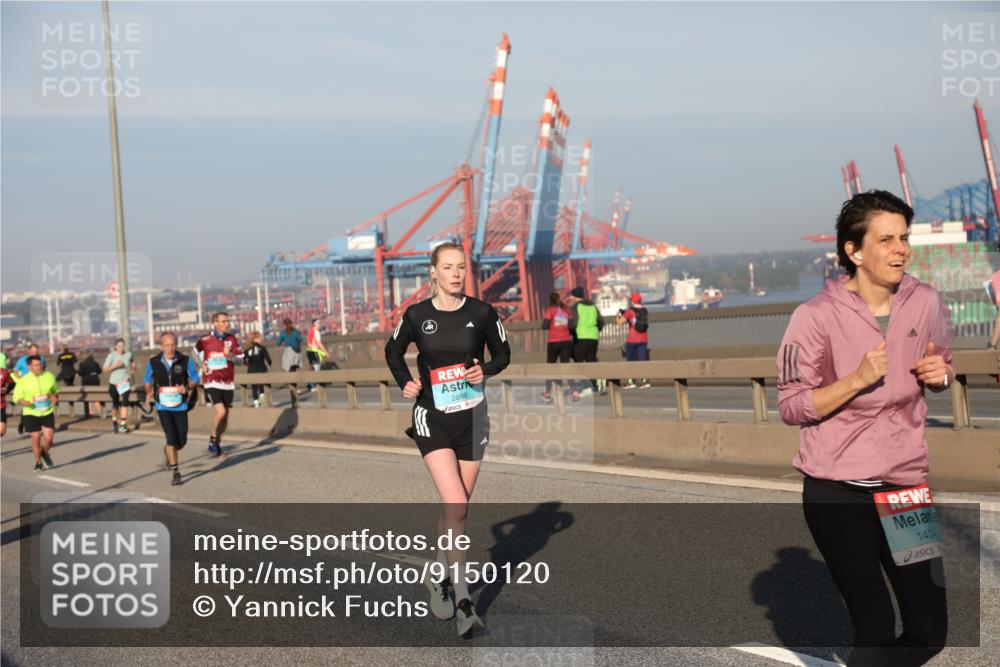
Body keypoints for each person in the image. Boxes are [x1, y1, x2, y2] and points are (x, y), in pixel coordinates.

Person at [777, 191, 953, 666]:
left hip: (905, 488)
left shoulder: (927, 303)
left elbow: (942, 361)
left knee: (928, 631)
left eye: (904, 238)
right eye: (886, 239)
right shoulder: (813, 317)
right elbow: (791, 405)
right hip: (838, 493)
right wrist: (855, 380)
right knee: (874, 628)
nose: (901, 249)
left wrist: (943, 375)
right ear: (854, 251)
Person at [384, 242, 510, 637]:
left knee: (458, 508)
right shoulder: (417, 315)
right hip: (431, 416)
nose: (457, 274)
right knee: (455, 504)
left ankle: (436, 572)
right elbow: (393, 351)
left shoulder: (482, 312)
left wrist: (483, 371)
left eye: (462, 268)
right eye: (448, 267)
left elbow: (503, 353)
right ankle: (464, 601)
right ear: (433, 273)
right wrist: (406, 382)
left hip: (473, 417)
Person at [144, 332, 200, 486]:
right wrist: (149, 393)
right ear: (161, 346)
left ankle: (169, 452)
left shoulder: (185, 360)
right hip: (162, 405)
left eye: (173, 344)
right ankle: (176, 472)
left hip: (180, 405)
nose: (170, 348)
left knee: (181, 441)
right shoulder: (153, 362)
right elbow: (147, 379)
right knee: (170, 437)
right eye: (167, 345)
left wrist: (187, 387)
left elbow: (196, 378)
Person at [195, 312, 242, 458]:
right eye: (223, 321)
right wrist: (201, 364)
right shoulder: (205, 339)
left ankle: (215, 444)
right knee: (220, 412)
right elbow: (194, 352)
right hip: (211, 380)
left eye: (227, 321)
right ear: (215, 323)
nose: (226, 324)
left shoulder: (232, 339)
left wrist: (230, 356)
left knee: (225, 417)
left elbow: (241, 360)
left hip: (227, 382)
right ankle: (213, 440)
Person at [12, 355, 59, 471]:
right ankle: (38, 462)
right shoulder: (23, 380)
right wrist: (26, 402)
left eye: (41, 364)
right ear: (29, 367)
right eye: (36, 365)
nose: (39, 367)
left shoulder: (49, 376)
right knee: (36, 437)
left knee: (49, 439)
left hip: (47, 411)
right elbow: (16, 398)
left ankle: (45, 453)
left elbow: (55, 390)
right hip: (30, 413)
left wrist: (54, 397)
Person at [566, 286, 603, 400]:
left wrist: (570, 331)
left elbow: (573, 323)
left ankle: (587, 388)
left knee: (579, 363)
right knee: (591, 362)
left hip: (580, 337)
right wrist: (596, 330)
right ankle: (593, 385)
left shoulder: (576, 307)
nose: (570, 297)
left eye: (571, 295)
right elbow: (601, 321)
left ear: (575, 296)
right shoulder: (592, 306)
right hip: (593, 337)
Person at [540, 291, 573, 403]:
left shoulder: (550, 310)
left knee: (550, 367)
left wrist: (549, 325)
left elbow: (544, 326)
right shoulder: (566, 310)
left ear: (551, 300)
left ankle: (548, 393)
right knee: (566, 367)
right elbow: (572, 325)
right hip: (566, 341)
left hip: (554, 342)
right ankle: (574, 391)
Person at [617, 292, 651, 389]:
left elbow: (620, 322)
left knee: (630, 361)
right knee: (643, 360)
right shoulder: (645, 310)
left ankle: (631, 381)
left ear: (632, 301)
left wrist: (618, 315)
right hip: (644, 339)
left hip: (632, 339)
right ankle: (645, 381)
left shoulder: (629, 311)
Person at [102, 338, 135, 434]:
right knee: (115, 403)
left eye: (122, 345)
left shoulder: (128, 354)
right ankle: (114, 422)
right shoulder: (111, 355)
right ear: (116, 347)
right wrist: (115, 366)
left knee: (125, 402)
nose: (121, 348)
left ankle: (123, 425)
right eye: (119, 346)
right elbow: (104, 369)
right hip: (113, 383)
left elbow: (132, 360)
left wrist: (133, 367)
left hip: (124, 382)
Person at [243, 331, 272, 407]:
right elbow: (268, 360)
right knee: (261, 386)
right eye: (259, 338)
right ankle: (262, 402)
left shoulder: (248, 349)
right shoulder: (262, 348)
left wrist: (248, 364)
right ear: (255, 339)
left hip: (251, 370)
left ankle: (256, 402)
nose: (261, 339)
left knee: (254, 387)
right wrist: (268, 366)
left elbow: (244, 360)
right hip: (261, 369)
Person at [77, 350, 103, 418]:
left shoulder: (82, 363)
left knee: (87, 397)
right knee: (96, 396)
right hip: (95, 380)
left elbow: (80, 373)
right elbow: (100, 371)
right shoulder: (95, 363)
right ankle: (101, 412)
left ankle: (87, 413)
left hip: (86, 380)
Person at [305, 319, 328, 392]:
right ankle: (313, 385)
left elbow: (308, 341)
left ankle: (310, 384)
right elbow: (319, 343)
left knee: (312, 368)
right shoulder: (317, 332)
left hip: (309, 351)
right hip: (314, 351)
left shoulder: (310, 331)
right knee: (317, 368)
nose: (319, 325)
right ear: (314, 324)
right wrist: (325, 352)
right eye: (318, 324)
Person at [0, 353, 14, 439]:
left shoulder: (5, 372)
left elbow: (12, 384)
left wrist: (6, 389)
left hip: (1, 404)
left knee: (2, 431)